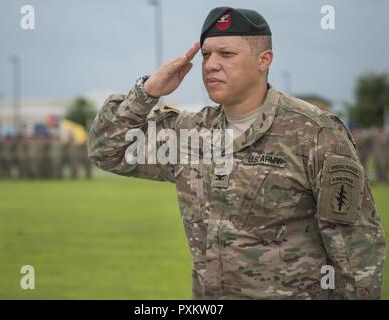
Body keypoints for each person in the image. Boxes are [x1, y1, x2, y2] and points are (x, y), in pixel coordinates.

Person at [88, 7, 386, 299]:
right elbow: (107, 150)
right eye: (206, 55)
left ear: (263, 60)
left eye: (226, 54)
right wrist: (147, 93)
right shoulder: (190, 133)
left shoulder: (315, 133)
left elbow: (356, 252)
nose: (210, 65)